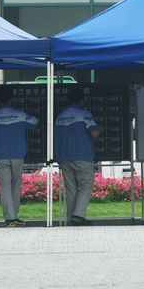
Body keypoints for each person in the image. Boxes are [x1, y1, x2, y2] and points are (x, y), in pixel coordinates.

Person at [0, 85, 39, 227]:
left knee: (5, 187)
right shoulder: (20, 115)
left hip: (1, 155)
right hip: (18, 154)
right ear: (12, 99)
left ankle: (10, 218)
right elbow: (35, 122)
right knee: (16, 186)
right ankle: (14, 216)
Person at [55, 87, 100, 226]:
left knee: (71, 189)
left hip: (64, 157)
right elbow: (95, 133)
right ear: (81, 100)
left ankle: (71, 217)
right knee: (86, 185)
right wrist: (100, 128)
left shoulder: (60, 117)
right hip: (82, 155)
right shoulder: (84, 114)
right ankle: (79, 215)